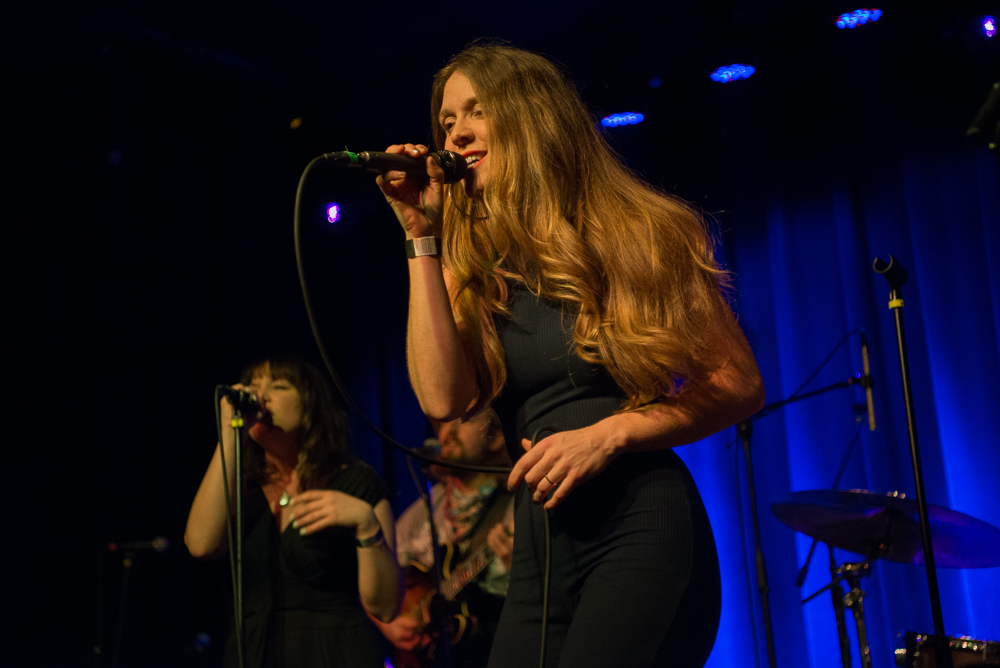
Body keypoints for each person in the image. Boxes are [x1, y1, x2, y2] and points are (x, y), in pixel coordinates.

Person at [376, 43, 766, 668]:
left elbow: (739, 382)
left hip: (640, 522)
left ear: (532, 116)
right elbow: (442, 398)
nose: (457, 134)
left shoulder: (639, 231)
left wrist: (610, 434)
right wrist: (423, 240)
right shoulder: (473, 266)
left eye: (477, 111)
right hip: (543, 544)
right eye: (447, 122)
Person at [184, 357, 403, 668]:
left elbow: (386, 607)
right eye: (254, 386)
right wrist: (231, 434)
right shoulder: (239, 487)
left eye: (278, 386)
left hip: (337, 653)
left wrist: (367, 524)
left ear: (311, 404)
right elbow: (200, 544)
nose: (260, 396)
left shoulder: (355, 483)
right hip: (256, 654)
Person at [372, 410, 514, 668]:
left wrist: (519, 568)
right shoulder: (427, 507)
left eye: (463, 419)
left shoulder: (517, 504)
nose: (446, 433)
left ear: (497, 437)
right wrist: (389, 625)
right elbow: (375, 577)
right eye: (441, 425)